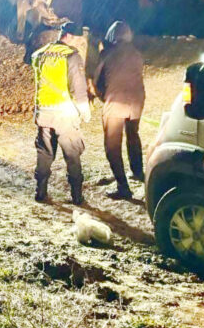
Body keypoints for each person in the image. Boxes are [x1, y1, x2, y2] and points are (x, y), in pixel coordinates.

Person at [31, 21, 91, 204]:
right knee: (72, 154)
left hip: (44, 112)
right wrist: (85, 111)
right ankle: (77, 196)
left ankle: (40, 193)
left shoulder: (40, 54)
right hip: (64, 114)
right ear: (69, 36)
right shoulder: (71, 56)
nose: (80, 43)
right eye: (78, 39)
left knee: (44, 153)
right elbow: (78, 88)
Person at [94, 20, 145, 200]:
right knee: (133, 135)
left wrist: (101, 96)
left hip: (116, 102)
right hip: (137, 101)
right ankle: (138, 172)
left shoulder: (106, 53)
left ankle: (123, 186)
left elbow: (96, 80)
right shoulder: (136, 53)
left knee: (112, 146)